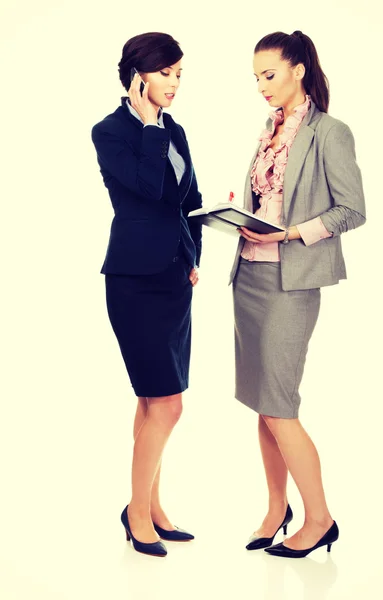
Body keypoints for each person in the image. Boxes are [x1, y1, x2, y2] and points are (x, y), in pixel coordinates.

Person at [229, 30, 366, 559]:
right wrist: (242, 220)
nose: (262, 86)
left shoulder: (330, 132)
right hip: (249, 276)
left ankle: (320, 520)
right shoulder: (269, 130)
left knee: (281, 406)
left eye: (270, 74)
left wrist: (288, 233)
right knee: (264, 407)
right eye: (256, 77)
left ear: (298, 70)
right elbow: (270, 201)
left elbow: (351, 210)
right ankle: (275, 508)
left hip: (293, 282)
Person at [91, 32, 202, 557]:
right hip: (134, 281)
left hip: (174, 280)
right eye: (166, 73)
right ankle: (137, 514)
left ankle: (151, 506)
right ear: (139, 76)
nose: (175, 83)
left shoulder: (175, 129)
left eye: (179, 73)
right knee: (169, 404)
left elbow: (189, 200)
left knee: (153, 399)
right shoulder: (110, 131)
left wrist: (193, 257)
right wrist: (151, 126)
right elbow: (148, 189)